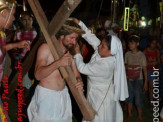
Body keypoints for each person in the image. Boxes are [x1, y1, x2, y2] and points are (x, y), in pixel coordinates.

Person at [27, 19, 84, 122]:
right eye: (71, 38)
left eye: (76, 39)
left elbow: (76, 75)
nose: (74, 42)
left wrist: (79, 82)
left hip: (63, 96)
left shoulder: (70, 52)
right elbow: (37, 75)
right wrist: (58, 63)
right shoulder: (46, 48)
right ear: (62, 35)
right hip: (46, 97)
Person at [72, 18, 128, 122]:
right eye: (101, 43)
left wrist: (78, 53)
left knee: (98, 117)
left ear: (111, 52)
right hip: (95, 92)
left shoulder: (105, 65)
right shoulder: (103, 52)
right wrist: (79, 23)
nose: (99, 46)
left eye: (102, 46)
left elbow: (82, 68)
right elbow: (90, 37)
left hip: (100, 98)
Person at [0, 0, 30, 121]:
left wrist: (16, 45)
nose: (13, 18)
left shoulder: (1, 34)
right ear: (3, 14)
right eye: (12, 14)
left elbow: (1, 49)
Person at [124, 35, 147, 122]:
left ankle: (140, 116)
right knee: (129, 98)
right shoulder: (127, 54)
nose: (130, 45)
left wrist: (145, 83)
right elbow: (125, 66)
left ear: (137, 44)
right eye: (129, 43)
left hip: (139, 80)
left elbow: (144, 70)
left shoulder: (141, 55)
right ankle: (129, 115)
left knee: (139, 98)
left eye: (132, 43)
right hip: (129, 79)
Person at [144, 36, 160, 106]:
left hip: (153, 70)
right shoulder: (145, 51)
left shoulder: (157, 51)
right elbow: (143, 62)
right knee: (145, 86)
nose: (154, 45)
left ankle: (151, 102)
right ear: (149, 43)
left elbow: (159, 61)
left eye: (155, 43)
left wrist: (156, 65)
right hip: (146, 70)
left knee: (152, 87)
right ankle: (146, 101)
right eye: (152, 43)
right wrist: (150, 63)